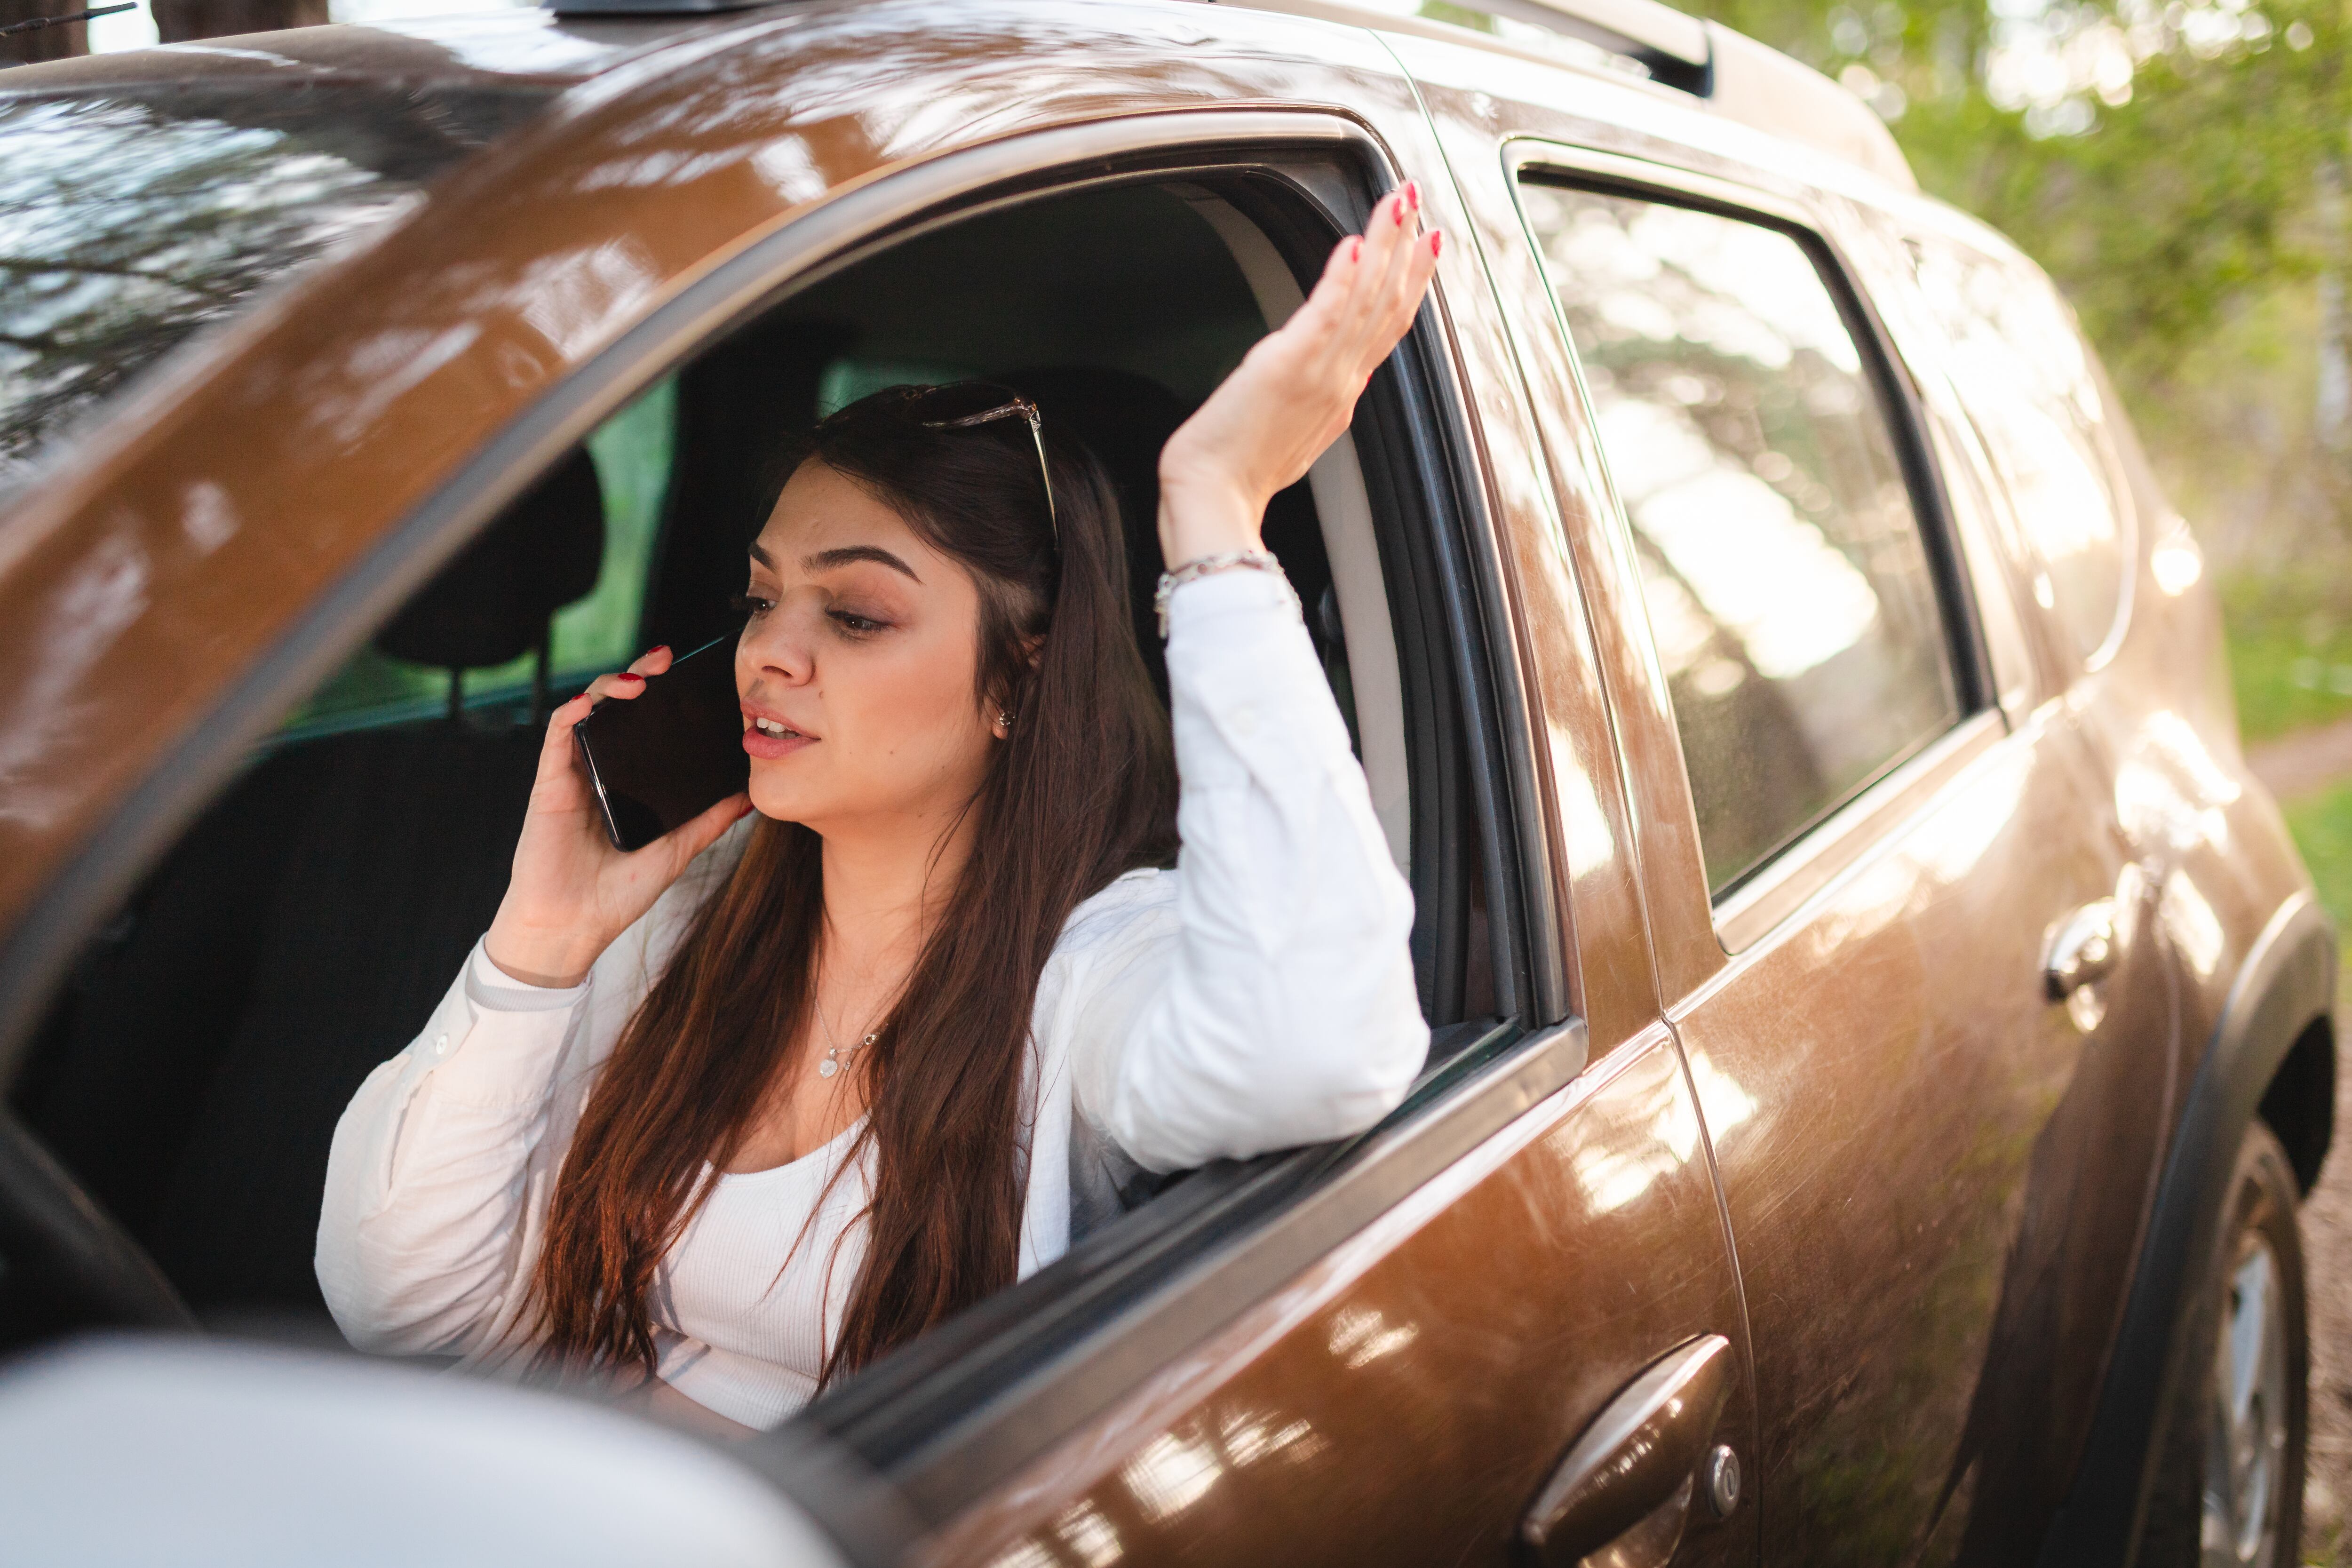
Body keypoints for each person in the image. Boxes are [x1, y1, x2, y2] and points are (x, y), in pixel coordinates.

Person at [317, 185, 1444, 1436]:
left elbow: (1319, 1046)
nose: (769, 656)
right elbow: (408, 1311)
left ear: (1019, 679)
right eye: (759, 601)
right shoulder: (688, 923)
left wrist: (1216, 515)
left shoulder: (1091, 972)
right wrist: (534, 953)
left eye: (854, 616)